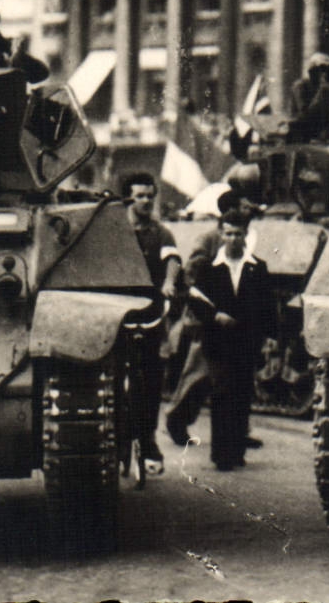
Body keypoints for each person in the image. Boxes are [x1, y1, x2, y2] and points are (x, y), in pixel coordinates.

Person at [166, 210, 276, 470]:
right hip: (218, 339)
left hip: (246, 339)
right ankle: (221, 453)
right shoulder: (210, 268)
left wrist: (270, 336)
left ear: (246, 235)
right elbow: (196, 300)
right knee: (222, 393)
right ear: (221, 234)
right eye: (228, 233)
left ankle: (236, 449)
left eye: (238, 233)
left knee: (241, 394)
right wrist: (215, 316)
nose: (233, 239)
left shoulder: (256, 267)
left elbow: (268, 304)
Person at [124, 171, 182, 474]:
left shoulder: (160, 232)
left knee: (150, 383)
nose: (146, 201)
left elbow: (172, 260)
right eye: (140, 196)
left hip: (149, 316)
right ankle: (119, 438)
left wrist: (169, 283)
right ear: (128, 198)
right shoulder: (116, 231)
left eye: (150, 195)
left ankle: (147, 441)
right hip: (117, 315)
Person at [287, 52, 329, 143]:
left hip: (317, 138)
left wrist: (324, 136)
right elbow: (303, 115)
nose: (324, 74)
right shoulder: (300, 86)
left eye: (327, 70)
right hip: (298, 136)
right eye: (321, 70)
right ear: (313, 71)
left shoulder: (326, 90)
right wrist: (320, 94)